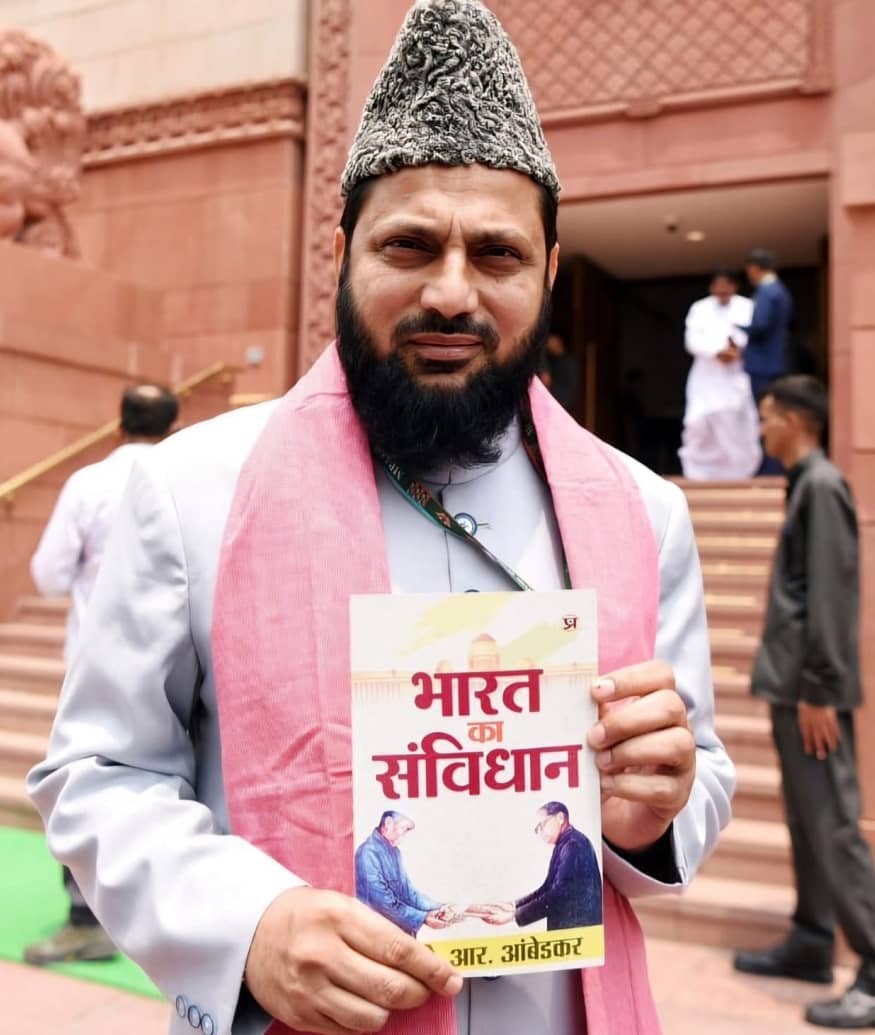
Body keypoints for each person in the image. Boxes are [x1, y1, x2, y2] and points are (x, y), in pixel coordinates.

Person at [28, 3, 733, 1034]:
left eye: (495, 255)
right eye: (409, 245)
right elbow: (99, 775)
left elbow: (697, 768)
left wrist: (649, 812)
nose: (449, 292)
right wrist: (248, 925)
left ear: (546, 272)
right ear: (342, 254)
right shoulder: (189, 491)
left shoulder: (642, 510)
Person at [733, 376, 875, 1029]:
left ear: (793, 420)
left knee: (833, 825)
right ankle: (812, 941)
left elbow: (832, 594)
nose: (760, 428)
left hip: (811, 690)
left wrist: (820, 687)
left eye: (766, 417)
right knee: (806, 820)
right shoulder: (803, 484)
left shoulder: (821, 485)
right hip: (793, 686)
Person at [23, 382, 178, 967]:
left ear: (119, 425)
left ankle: (87, 922)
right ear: (173, 425)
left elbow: (48, 576)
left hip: (98, 668)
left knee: (87, 788)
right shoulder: (189, 477)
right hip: (182, 663)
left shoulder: (88, 484)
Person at [678, 270, 760, 480]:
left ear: (734, 287)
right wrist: (715, 352)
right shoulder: (700, 308)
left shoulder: (746, 306)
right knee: (697, 422)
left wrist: (736, 350)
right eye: (718, 287)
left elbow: (754, 336)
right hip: (706, 374)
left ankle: (740, 472)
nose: (722, 291)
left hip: (735, 373)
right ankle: (697, 473)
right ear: (712, 288)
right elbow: (691, 340)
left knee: (735, 422)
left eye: (726, 286)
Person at [477, 802, 602, 931]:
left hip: (578, 931)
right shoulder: (565, 843)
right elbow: (547, 888)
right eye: (538, 828)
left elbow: (557, 895)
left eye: (542, 824)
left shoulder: (573, 845)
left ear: (560, 818)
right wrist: (514, 906)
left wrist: (514, 916)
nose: (540, 832)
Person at [355, 812, 458, 937]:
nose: (405, 836)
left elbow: (409, 894)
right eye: (405, 829)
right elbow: (382, 902)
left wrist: (440, 907)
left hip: (400, 935)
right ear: (388, 823)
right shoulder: (367, 853)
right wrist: (423, 918)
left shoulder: (394, 852)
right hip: (376, 937)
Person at [738, 248, 794, 474]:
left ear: (754, 268)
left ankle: (771, 467)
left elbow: (760, 326)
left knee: (767, 414)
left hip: (764, 364)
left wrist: (737, 327)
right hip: (773, 362)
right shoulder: (779, 291)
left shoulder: (768, 292)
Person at [538, 332, 579, 413]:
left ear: (558, 341)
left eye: (551, 341)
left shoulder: (569, 362)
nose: (549, 345)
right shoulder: (552, 360)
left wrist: (549, 383)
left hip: (562, 402)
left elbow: (571, 385)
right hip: (552, 400)